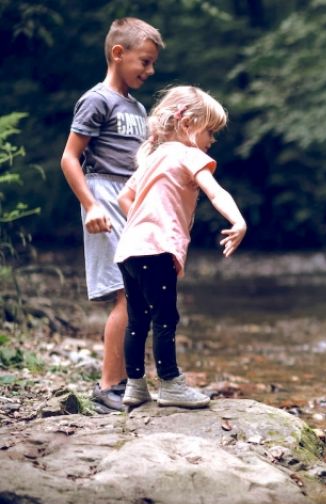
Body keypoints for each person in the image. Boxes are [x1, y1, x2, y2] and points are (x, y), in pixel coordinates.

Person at [115, 85, 247, 409]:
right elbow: (216, 193)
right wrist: (238, 221)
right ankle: (170, 383)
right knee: (165, 317)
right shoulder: (189, 154)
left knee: (137, 320)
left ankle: (135, 386)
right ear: (188, 125)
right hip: (157, 248)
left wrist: (144, 221)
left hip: (129, 248)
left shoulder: (152, 157)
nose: (212, 140)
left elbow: (123, 198)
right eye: (210, 131)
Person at [60, 18, 164, 411]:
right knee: (126, 293)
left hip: (132, 200)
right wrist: (91, 206)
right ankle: (108, 386)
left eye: (152, 63)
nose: (150, 71)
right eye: (145, 61)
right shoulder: (97, 100)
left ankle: (126, 382)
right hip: (103, 196)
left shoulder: (137, 108)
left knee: (140, 294)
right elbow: (69, 158)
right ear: (118, 54)